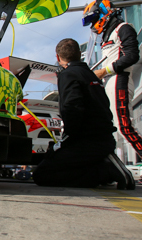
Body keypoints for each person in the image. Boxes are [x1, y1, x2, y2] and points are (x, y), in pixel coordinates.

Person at [83, 0, 142, 185]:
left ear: (103, 13)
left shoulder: (123, 28)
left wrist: (104, 71)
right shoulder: (109, 34)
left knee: (124, 126)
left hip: (120, 79)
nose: (92, 25)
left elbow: (131, 56)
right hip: (111, 81)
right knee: (116, 126)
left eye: (94, 19)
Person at [33, 38, 135, 190]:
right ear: (79, 54)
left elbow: (71, 108)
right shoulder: (92, 76)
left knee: (42, 174)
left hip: (86, 142)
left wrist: (66, 140)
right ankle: (102, 165)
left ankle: (105, 171)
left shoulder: (67, 75)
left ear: (57, 57)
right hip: (102, 138)